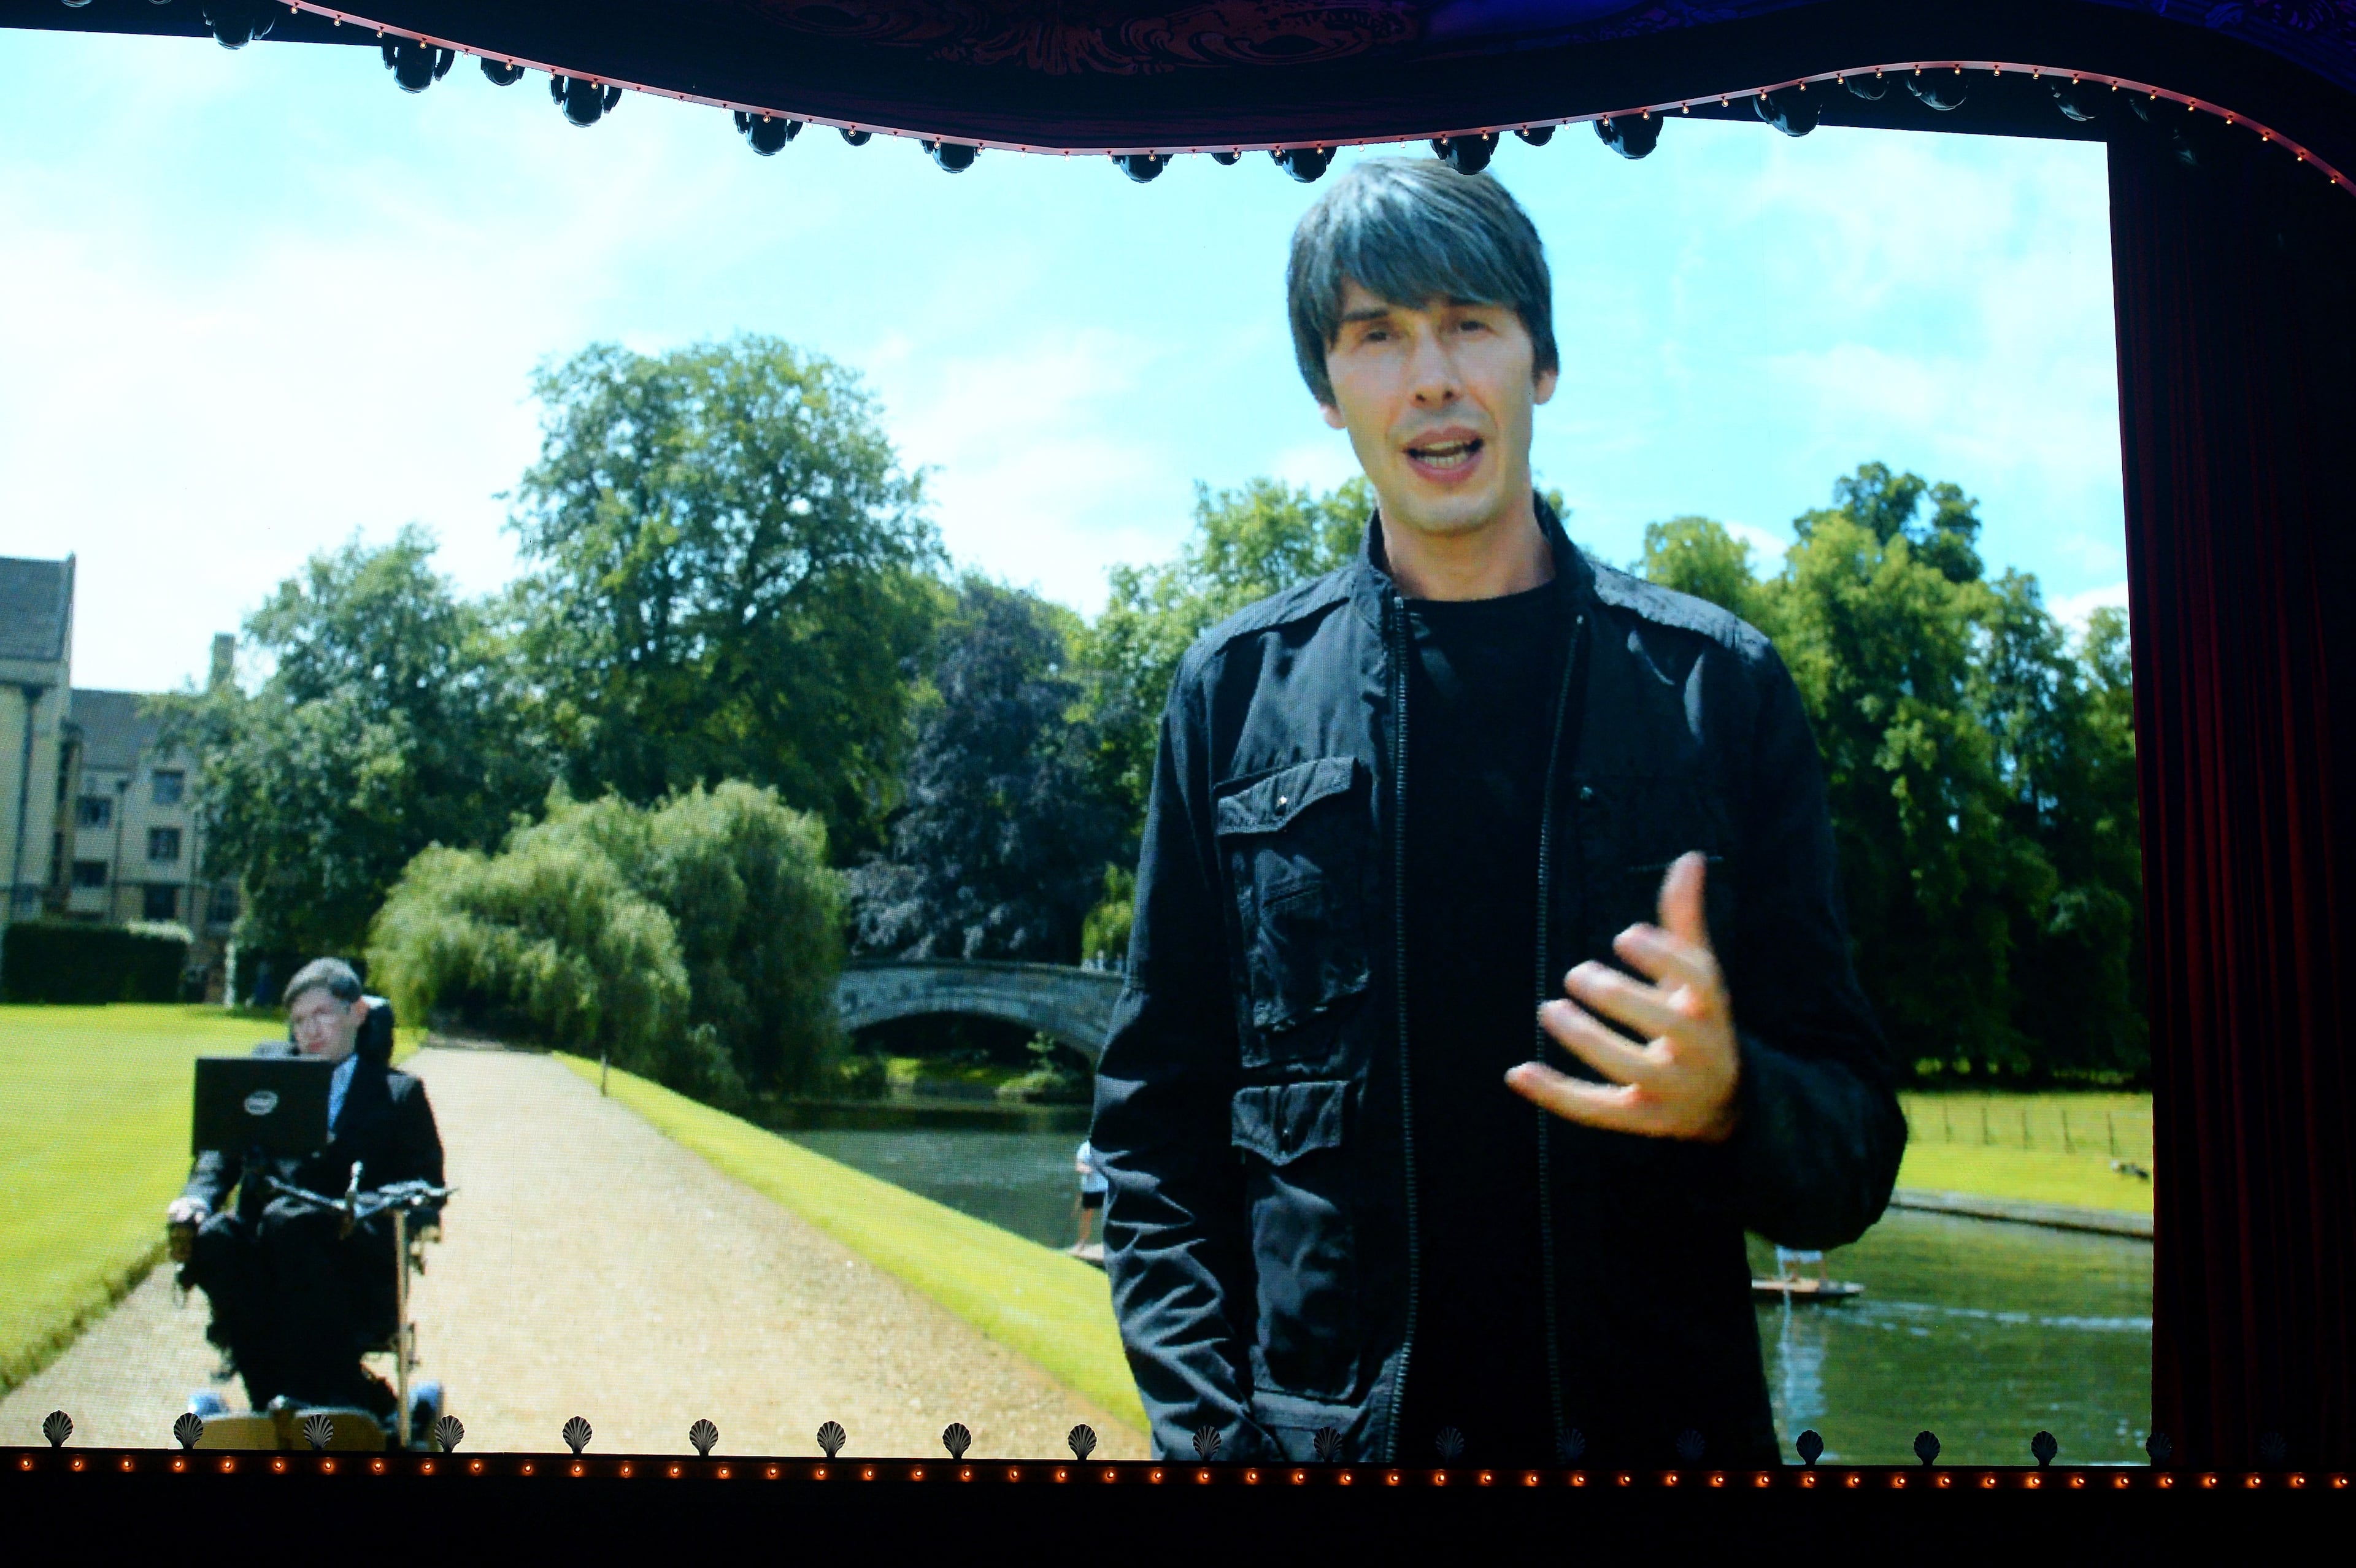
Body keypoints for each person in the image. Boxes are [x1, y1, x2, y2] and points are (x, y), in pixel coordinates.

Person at [1090, 158, 1906, 1469]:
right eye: (1377, 336)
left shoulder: (1724, 694)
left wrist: (1738, 1096)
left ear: (1542, 363)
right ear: (1326, 389)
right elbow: (1151, 1147)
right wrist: (1216, 1451)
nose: (1433, 377)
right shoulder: (1227, 700)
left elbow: (1857, 1150)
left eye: (1471, 321)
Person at [167, 957, 445, 1421]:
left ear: (357, 1014)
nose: (309, 1030)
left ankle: (326, 1394)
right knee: (215, 1237)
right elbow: (220, 1151)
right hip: (269, 1257)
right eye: (298, 1020)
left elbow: (427, 1190)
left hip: (354, 1259)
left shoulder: (399, 1095)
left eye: (322, 1015)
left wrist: (362, 1208)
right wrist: (196, 1198)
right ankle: (273, 1399)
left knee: (288, 1222)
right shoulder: (265, 1078)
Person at [1071, 1138, 1108, 1252]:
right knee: (1086, 1216)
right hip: (1090, 1189)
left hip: (1105, 1187)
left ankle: (1108, 1244)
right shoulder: (1085, 1147)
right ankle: (1082, 1242)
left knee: (1107, 1216)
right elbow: (1079, 1165)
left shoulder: (1106, 1146)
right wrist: (1087, 1169)